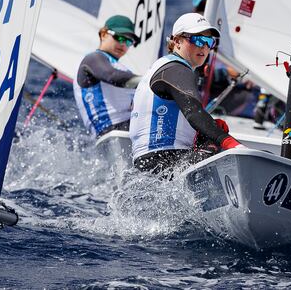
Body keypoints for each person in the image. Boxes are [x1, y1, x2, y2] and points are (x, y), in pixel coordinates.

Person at [129, 13, 242, 173]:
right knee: (215, 141)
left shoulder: (165, 66)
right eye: (198, 40)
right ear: (177, 41)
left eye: (209, 42)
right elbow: (194, 112)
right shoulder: (176, 69)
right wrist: (231, 143)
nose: (204, 47)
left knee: (212, 131)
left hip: (150, 163)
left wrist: (210, 127)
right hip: (163, 160)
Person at [73, 15, 142, 137]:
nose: (123, 45)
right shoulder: (92, 59)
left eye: (128, 42)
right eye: (119, 38)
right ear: (104, 34)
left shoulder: (121, 67)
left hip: (129, 126)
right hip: (111, 131)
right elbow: (112, 76)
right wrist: (151, 80)